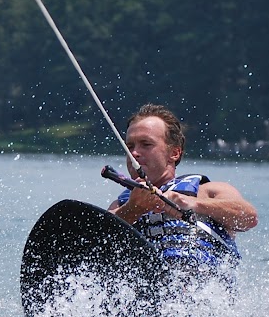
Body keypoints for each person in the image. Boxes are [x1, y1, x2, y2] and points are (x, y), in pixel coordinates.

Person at [107, 104, 257, 271]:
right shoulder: (121, 205)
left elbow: (248, 218)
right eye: (130, 146)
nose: (134, 153)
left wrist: (193, 204)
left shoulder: (207, 191)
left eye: (146, 144)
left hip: (206, 293)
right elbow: (95, 246)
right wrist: (133, 209)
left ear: (174, 153)